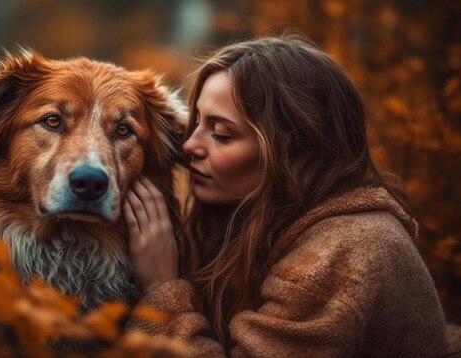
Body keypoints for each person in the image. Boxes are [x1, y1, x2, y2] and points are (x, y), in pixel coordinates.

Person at [122, 35, 449, 357]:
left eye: (220, 134)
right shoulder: (240, 221)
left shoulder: (345, 253)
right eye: (197, 124)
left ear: (291, 149)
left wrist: (160, 291)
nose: (189, 145)